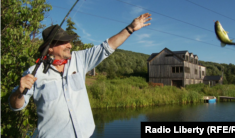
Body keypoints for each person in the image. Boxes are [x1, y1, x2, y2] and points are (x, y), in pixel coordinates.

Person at [9, 13, 152, 138]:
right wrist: (19, 92)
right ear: (50, 48)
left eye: (69, 42)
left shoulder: (79, 59)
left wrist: (130, 28)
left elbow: (107, 47)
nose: (70, 45)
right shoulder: (34, 72)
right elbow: (16, 106)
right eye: (64, 42)